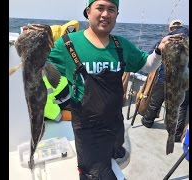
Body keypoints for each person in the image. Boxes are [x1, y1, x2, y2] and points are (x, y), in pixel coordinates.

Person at [46, 0, 172, 179]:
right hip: (86, 128)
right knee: (94, 174)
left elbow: (146, 66)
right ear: (88, 12)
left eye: (111, 9)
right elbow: (39, 67)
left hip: (115, 123)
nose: (106, 14)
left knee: (114, 159)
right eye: (100, 8)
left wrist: (159, 50)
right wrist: (31, 44)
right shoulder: (67, 44)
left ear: (117, 15)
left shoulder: (121, 45)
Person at [141, 19, 189, 142]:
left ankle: (147, 121)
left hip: (165, 78)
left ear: (170, 28)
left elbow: (150, 55)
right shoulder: (187, 39)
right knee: (181, 107)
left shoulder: (165, 39)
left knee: (155, 101)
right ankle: (177, 135)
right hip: (184, 80)